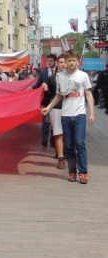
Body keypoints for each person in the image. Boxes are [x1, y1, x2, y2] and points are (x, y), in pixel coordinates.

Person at [41, 49, 95, 184]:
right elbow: (59, 95)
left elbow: (88, 94)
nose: (71, 63)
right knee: (69, 145)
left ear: (77, 61)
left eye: (73, 60)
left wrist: (92, 113)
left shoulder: (83, 76)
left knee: (80, 143)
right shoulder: (61, 76)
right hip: (66, 115)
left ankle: (83, 172)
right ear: (66, 61)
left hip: (79, 115)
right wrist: (48, 108)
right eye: (69, 61)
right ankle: (72, 172)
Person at [42, 54, 67, 169]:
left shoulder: (73, 77)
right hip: (56, 109)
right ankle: (60, 156)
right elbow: (51, 95)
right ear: (58, 63)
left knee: (69, 134)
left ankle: (69, 154)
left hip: (69, 108)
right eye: (61, 62)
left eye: (65, 62)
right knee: (58, 134)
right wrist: (46, 90)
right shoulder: (52, 78)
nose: (63, 64)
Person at [29, 54, 57, 148]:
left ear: (55, 61)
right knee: (46, 121)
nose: (49, 62)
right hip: (46, 99)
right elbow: (38, 84)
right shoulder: (43, 73)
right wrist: (32, 87)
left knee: (55, 121)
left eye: (51, 61)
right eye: (48, 61)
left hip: (57, 99)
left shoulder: (59, 71)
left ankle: (53, 141)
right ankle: (44, 140)